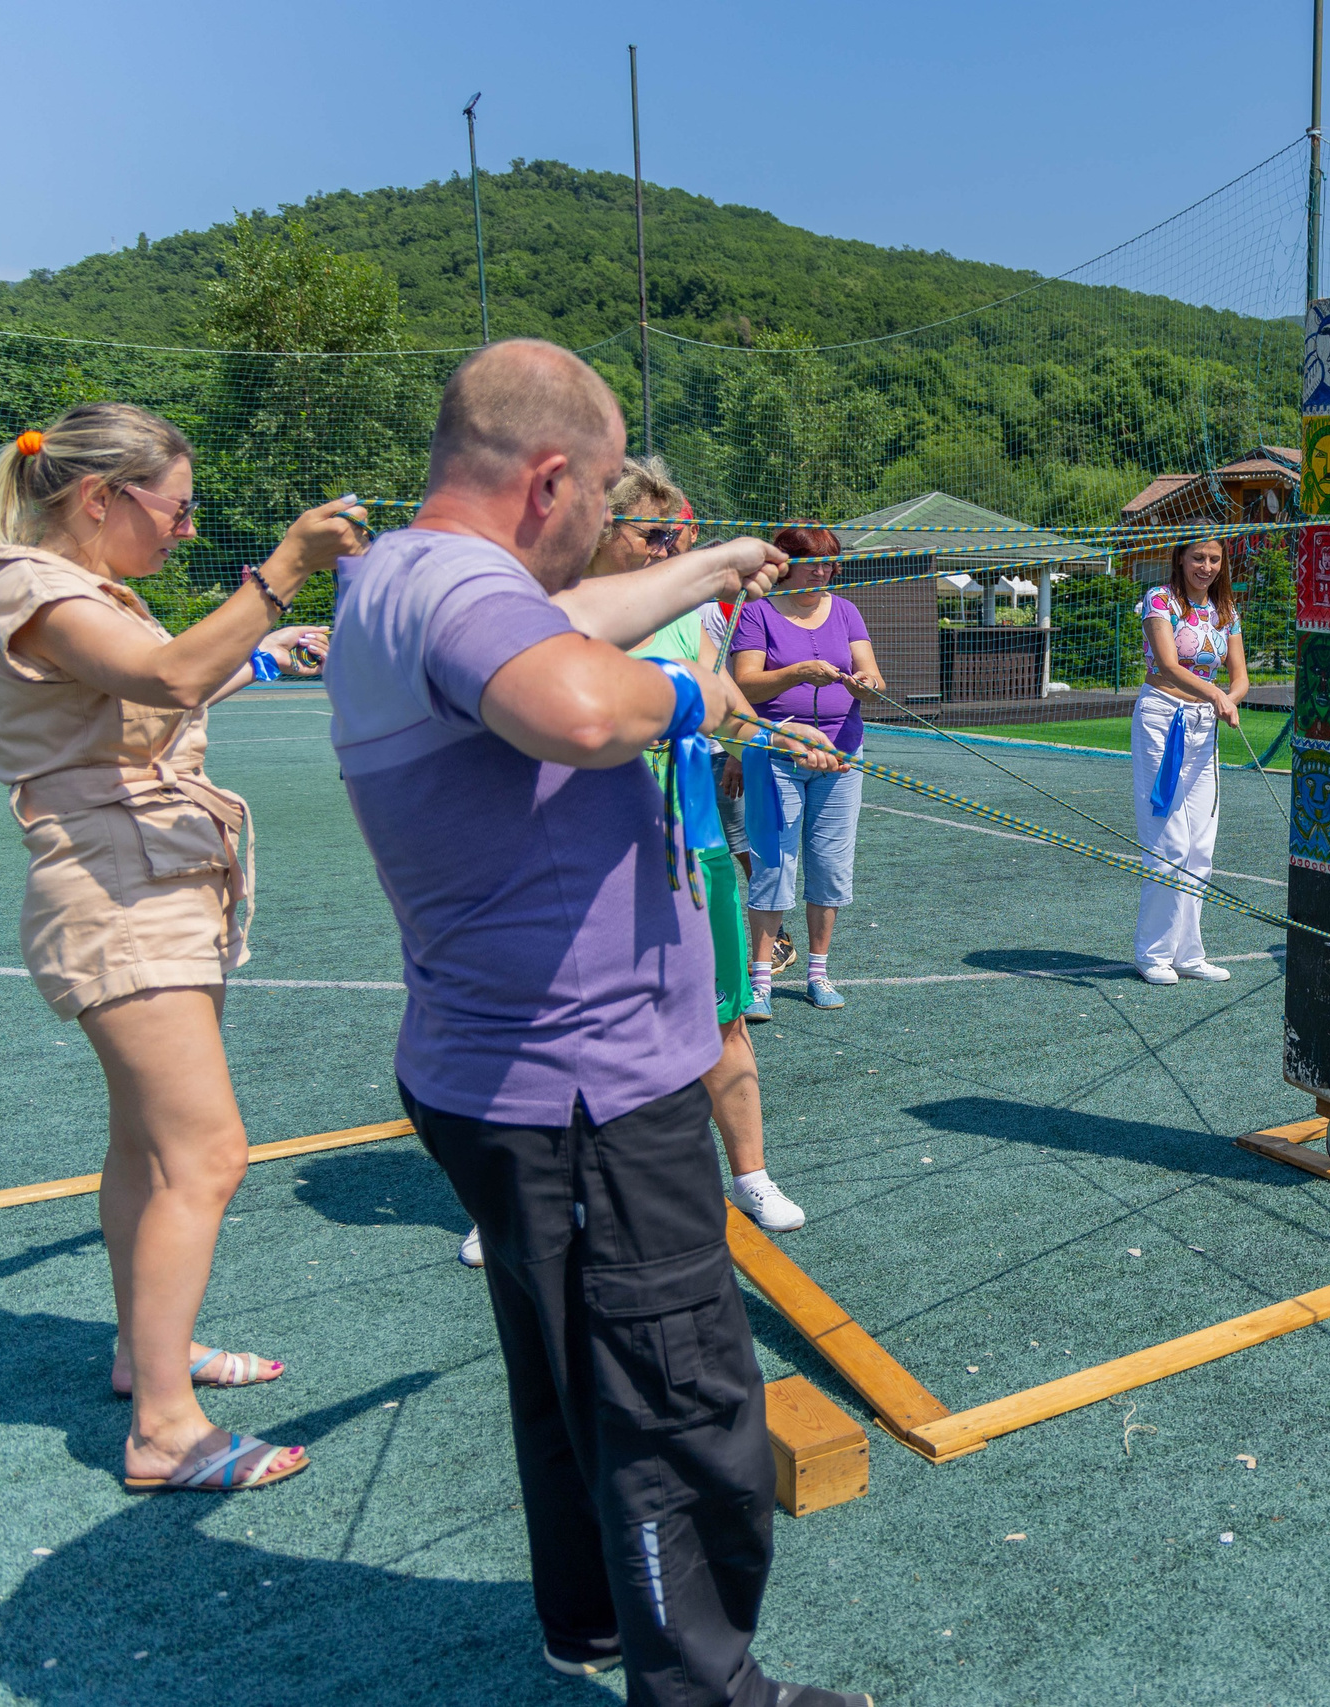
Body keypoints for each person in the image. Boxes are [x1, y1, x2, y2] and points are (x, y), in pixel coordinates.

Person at [325, 338, 869, 1705]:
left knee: (577, 1388)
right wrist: (696, 691)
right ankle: (705, 1688)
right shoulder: (458, 587)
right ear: (549, 478)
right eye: (608, 490)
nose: (612, 522)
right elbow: (573, 698)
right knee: (680, 1409)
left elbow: (580, 611)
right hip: (583, 1092)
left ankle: (593, 1621)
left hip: (506, 1077)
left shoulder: (410, 570)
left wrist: (711, 565)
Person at [0, 406, 344, 1494]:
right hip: (118, 890)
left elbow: (151, 690)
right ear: (100, 498)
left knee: (147, 1151)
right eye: (177, 511)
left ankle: (144, 1353)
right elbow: (171, 678)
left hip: (152, 878)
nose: (185, 533)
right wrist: (286, 567)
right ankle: (163, 1429)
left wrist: (267, 650)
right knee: (206, 1156)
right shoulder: (31, 587)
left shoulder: (79, 594)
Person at [446, 462, 829, 1268]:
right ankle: (513, 1195)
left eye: (671, 536)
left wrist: (781, 736)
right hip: (577, 854)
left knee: (722, 1016)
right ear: (596, 530)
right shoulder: (543, 614)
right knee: (552, 1030)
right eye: (650, 534)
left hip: (691, 847)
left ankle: (751, 1174)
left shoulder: (695, 620)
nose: (665, 550)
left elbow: (727, 706)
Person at [729, 525, 882, 1017]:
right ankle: (760, 982)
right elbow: (744, 688)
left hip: (842, 755)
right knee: (773, 863)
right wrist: (798, 672)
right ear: (786, 563)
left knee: (832, 866)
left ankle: (818, 973)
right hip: (778, 754)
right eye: (814, 561)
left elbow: (872, 676)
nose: (823, 570)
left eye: (830, 562)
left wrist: (865, 685)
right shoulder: (756, 613)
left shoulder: (846, 611)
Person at [1130, 535, 1249, 983]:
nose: (1206, 566)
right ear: (1179, 559)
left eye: (1214, 559)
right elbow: (1167, 664)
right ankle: (1153, 954)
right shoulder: (1159, 600)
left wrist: (1227, 699)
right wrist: (1217, 693)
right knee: (1169, 842)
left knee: (1200, 844)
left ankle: (1187, 953)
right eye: (1197, 557)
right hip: (1162, 720)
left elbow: (1241, 677)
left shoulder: (1226, 611)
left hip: (1204, 727)